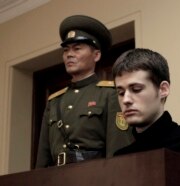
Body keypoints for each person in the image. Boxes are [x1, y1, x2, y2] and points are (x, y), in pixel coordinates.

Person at [36, 15, 133, 167]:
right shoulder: (54, 101)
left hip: (94, 176)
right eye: (66, 50)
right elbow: (43, 155)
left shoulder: (110, 93)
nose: (69, 54)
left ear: (96, 55)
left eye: (77, 49)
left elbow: (118, 148)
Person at [112, 48, 180, 164]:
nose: (126, 100)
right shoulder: (119, 158)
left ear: (163, 89)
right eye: (121, 93)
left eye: (136, 89)